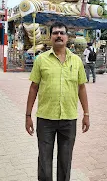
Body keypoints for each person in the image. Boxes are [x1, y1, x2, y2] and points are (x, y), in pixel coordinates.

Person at [25, 22, 90, 181]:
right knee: (45, 163)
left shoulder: (76, 61)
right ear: (50, 37)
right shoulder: (41, 60)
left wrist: (86, 114)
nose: (59, 35)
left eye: (62, 33)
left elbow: (81, 88)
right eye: (55, 33)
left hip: (68, 119)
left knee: (65, 162)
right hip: (46, 119)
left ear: (67, 37)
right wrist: (28, 116)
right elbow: (34, 87)